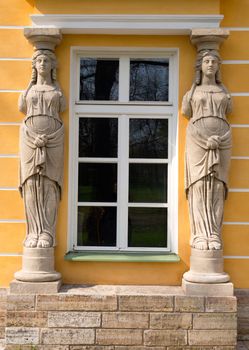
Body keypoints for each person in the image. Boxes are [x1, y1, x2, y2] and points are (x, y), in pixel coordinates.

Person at [182, 50, 232, 250]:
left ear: (218, 66)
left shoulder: (223, 92)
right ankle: (201, 234)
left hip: (223, 140)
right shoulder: (192, 92)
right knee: (200, 185)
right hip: (197, 140)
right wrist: (205, 138)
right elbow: (186, 112)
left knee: (218, 186)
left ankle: (214, 234)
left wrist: (217, 139)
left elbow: (229, 111)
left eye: (214, 61)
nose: (210, 64)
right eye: (206, 61)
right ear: (200, 66)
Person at [18, 49, 65, 248]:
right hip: (29, 139)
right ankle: (32, 232)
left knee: (49, 185)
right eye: (39, 60)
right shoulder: (28, 91)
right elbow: (22, 107)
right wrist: (34, 136)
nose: (43, 63)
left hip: (54, 139)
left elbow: (62, 107)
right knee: (30, 183)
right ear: (34, 66)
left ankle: (46, 232)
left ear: (52, 66)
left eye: (47, 60)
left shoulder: (57, 90)